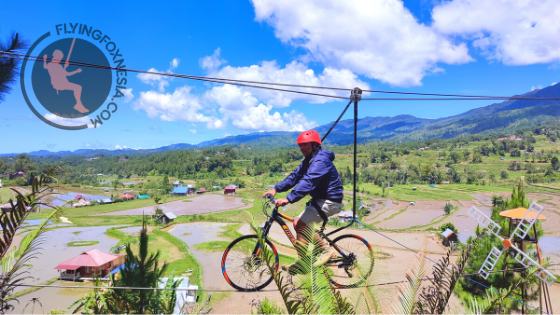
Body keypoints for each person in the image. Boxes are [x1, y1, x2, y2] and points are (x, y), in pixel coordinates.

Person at [264, 129, 343, 273]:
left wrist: (289, 198)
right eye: (300, 145)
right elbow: (294, 176)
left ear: (314, 145)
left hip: (331, 200)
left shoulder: (321, 161)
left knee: (301, 223)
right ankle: (303, 263)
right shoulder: (309, 161)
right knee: (297, 223)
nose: (301, 148)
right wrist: (276, 188)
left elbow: (309, 181)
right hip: (320, 200)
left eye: (305, 145)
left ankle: (327, 250)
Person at [43, 49, 89, 113]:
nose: (60, 60)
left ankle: (78, 104)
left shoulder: (55, 65)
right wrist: (76, 71)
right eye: (60, 58)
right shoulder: (54, 65)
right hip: (59, 84)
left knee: (78, 87)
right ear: (56, 57)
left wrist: (44, 60)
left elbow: (46, 67)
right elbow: (67, 74)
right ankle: (78, 104)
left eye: (61, 59)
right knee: (78, 87)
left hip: (62, 83)